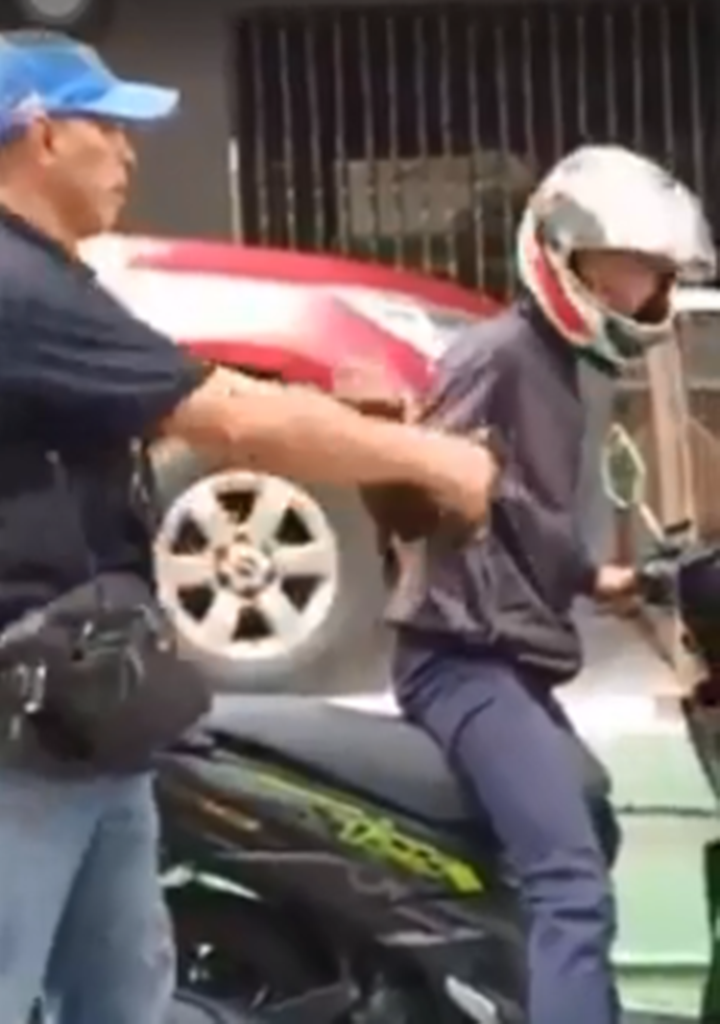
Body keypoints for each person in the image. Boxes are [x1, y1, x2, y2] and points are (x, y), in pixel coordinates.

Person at [0, 30, 499, 1024]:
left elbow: (180, 409)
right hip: (23, 730)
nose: (129, 154)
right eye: (108, 128)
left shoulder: (56, 281)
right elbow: (224, 411)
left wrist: (349, 428)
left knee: (122, 989)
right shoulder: (16, 286)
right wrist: (433, 460)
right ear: (41, 133)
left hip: (94, 712)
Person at [387, 145, 716, 1024]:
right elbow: (427, 488)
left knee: (594, 826)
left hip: (514, 661)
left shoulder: (566, 369)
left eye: (654, 274)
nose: (641, 291)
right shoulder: (497, 356)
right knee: (571, 884)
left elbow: (525, 513)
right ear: (564, 254)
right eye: (627, 267)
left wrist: (601, 576)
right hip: (461, 660)